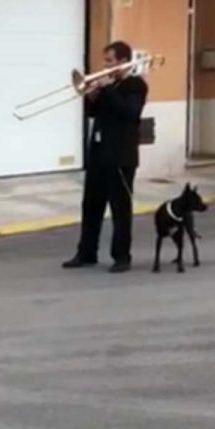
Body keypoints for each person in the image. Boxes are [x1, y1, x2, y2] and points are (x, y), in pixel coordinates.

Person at [62, 41, 148, 273]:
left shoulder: (135, 84)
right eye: (105, 61)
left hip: (120, 157)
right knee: (91, 206)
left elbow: (130, 113)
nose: (105, 65)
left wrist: (108, 88)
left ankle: (122, 257)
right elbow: (94, 112)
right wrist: (91, 95)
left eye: (109, 61)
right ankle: (86, 253)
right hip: (99, 154)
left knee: (120, 209)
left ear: (122, 61)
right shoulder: (109, 86)